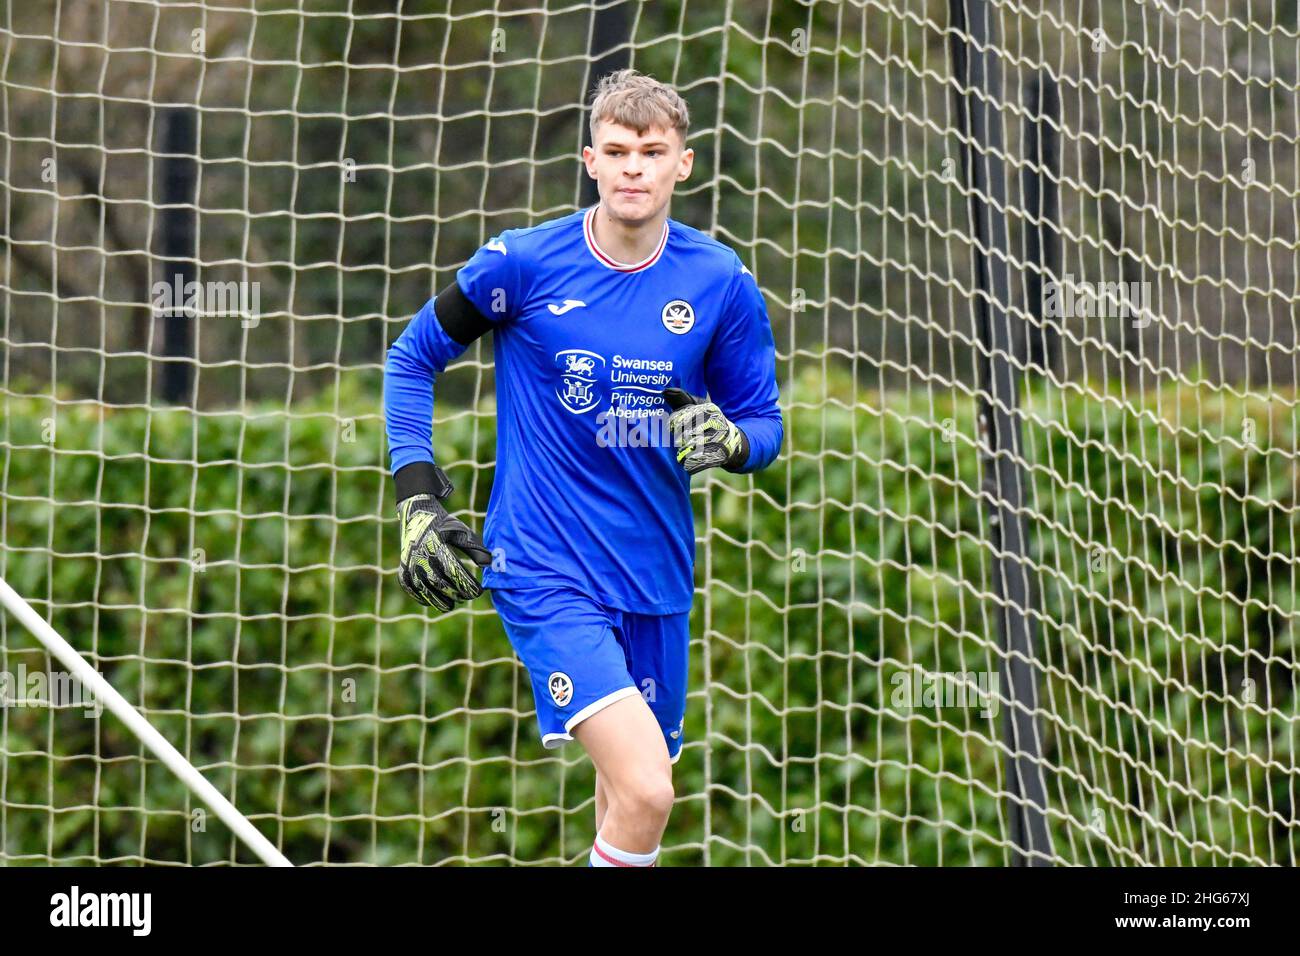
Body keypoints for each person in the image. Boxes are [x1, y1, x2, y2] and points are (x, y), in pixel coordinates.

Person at [383, 68, 782, 867]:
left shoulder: (720, 282)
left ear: (684, 164)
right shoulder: (520, 265)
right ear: (591, 162)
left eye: (652, 151)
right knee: (647, 792)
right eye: (617, 150)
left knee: (625, 804)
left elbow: (764, 425)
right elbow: (411, 356)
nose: (634, 166)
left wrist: (732, 445)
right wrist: (418, 497)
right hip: (545, 566)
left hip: (657, 574)